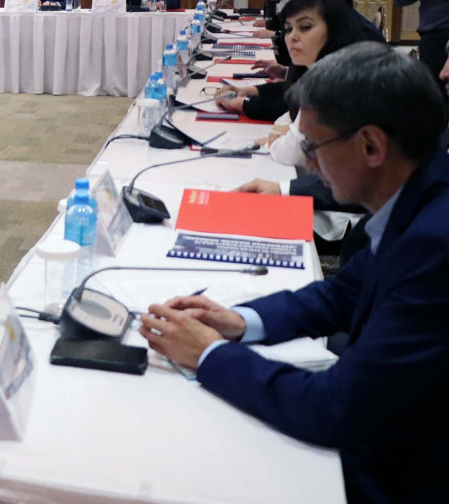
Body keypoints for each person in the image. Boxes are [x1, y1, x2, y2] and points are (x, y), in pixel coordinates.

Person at [140, 42, 449, 504]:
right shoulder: (421, 195)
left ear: (371, 145)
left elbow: (334, 409)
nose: (308, 163)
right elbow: (343, 294)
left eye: (313, 146)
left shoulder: (435, 242)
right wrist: (239, 321)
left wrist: (208, 355)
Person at [217, 0, 373, 121]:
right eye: (288, 29)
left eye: (305, 27)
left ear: (334, 29)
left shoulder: (344, 78)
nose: (292, 36)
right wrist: (248, 91)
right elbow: (292, 88)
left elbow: (294, 107)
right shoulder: (317, 65)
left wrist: (242, 103)